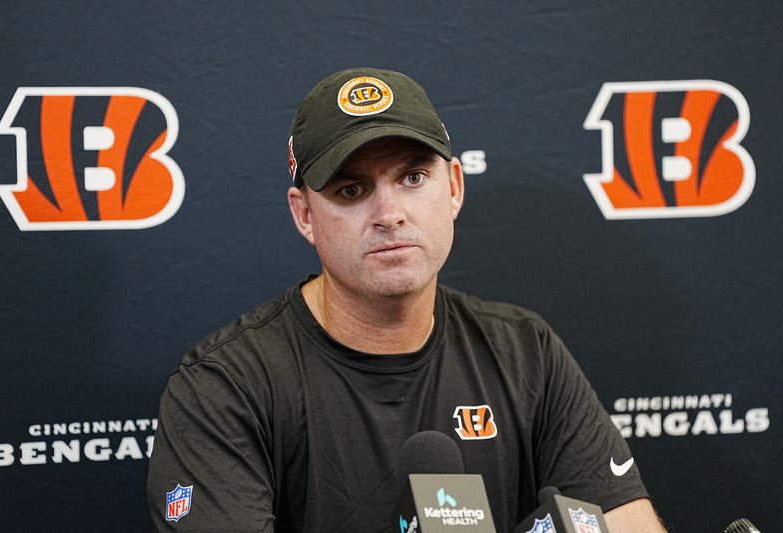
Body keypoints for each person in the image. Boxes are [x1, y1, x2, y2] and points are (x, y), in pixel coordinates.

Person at [147, 67, 666, 532]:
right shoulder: (223, 389)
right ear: (305, 215)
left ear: (455, 187)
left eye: (413, 178)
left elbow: (627, 524)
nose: (389, 212)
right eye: (352, 190)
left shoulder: (527, 352)